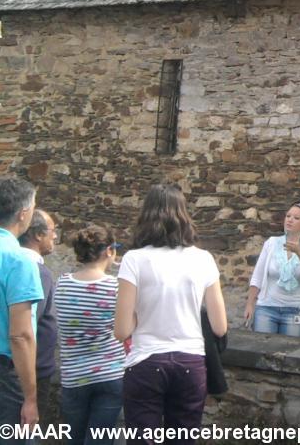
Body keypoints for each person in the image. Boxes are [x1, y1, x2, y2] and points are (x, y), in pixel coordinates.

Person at [114, 183, 227, 444]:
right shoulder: (204, 259)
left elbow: (122, 330)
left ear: (146, 215)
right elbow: (219, 327)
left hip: (146, 361)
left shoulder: (134, 259)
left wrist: (141, 313)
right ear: (184, 215)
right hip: (191, 361)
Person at [54, 226, 126, 445]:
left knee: (74, 440)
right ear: (108, 251)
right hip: (110, 374)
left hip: (73, 377)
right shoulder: (116, 287)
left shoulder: (62, 283)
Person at [0, 176, 43, 440]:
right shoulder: (18, 260)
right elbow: (21, 335)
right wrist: (31, 397)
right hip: (5, 375)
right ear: (24, 213)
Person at [244, 201, 300, 337]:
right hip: (266, 308)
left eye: (296, 218)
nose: (290, 220)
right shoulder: (272, 243)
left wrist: (299, 251)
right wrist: (250, 304)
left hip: (296, 310)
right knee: (262, 351)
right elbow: (258, 275)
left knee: (290, 353)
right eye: (288, 216)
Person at [18, 210, 59, 427]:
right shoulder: (37, 272)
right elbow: (26, 329)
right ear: (38, 235)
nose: (55, 236)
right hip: (30, 373)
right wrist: (30, 395)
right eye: (52, 231)